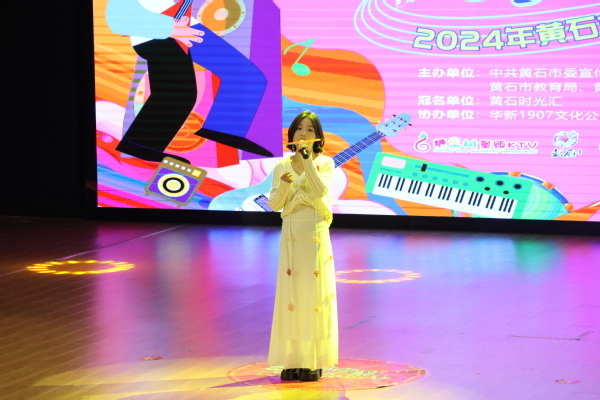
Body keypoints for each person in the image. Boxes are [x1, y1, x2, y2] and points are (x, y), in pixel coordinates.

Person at [267, 111, 338, 382]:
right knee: (292, 295)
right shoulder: (281, 166)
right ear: (292, 133)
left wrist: (307, 161)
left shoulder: (325, 163)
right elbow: (275, 205)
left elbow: (319, 191)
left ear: (317, 135)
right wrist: (285, 187)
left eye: (309, 129)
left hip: (315, 231)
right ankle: (293, 359)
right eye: (299, 128)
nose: (304, 134)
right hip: (291, 232)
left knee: (313, 294)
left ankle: (312, 361)